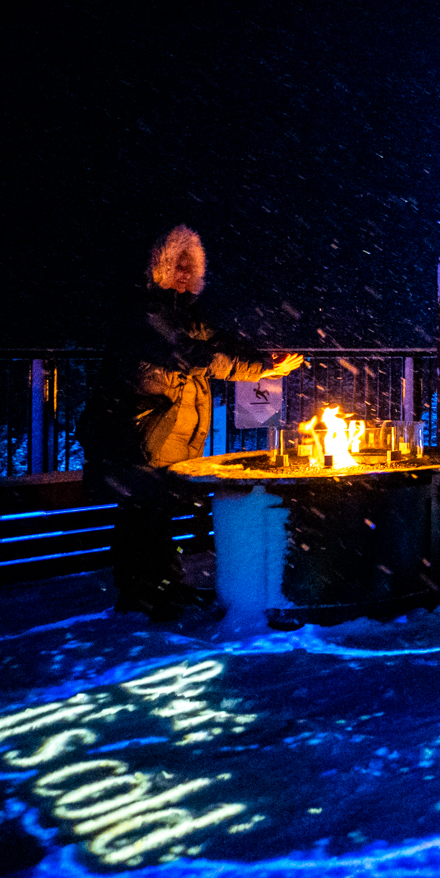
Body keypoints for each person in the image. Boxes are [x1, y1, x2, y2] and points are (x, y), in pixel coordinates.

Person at [77, 225, 302, 619]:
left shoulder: (184, 315)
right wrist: (260, 368)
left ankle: (166, 589)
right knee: (141, 516)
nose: (183, 273)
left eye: (190, 267)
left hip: (165, 438)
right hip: (136, 435)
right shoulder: (147, 313)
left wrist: (265, 356)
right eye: (176, 265)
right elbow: (192, 355)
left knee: (155, 515)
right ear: (159, 267)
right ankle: (142, 597)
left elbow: (220, 342)